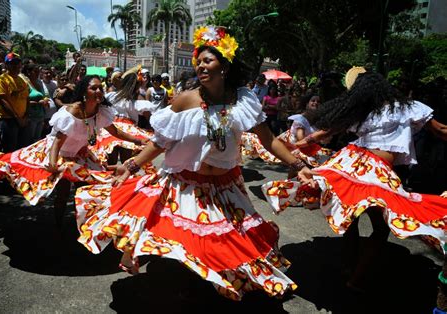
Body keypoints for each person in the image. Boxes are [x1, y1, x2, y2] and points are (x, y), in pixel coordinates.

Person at [74, 26, 309, 301]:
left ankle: (201, 293)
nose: (200, 66)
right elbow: (161, 141)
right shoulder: (186, 99)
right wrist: (132, 165)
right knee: (188, 247)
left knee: (226, 248)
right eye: (198, 62)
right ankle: (184, 294)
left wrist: (297, 162)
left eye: (207, 61)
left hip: (225, 188)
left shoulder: (243, 99)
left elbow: (269, 140)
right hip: (185, 186)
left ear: (225, 65)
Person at [263, 70, 447, 293]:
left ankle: (349, 268)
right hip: (375, 171)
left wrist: (296, 147)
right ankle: (356, 278)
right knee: (381, 228)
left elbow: (322, 133)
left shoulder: (363, 111)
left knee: (351, 217)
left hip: (351, 162)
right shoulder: (409, 107)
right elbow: (441, 130)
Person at [0, 75, 148, 228]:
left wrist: (138, 140)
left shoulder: (101, 111)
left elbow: (116, 132)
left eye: (100, 88)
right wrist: (53, 162)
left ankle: (86, 222)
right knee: (63, 192)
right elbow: (57, 142)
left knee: (92, 186)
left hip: (80, 153)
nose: (98, 91)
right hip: (60, 154)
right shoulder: (71, 112)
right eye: (93, 88)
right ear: (84, 91)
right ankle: (58, 226)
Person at [91, 66, 155, 165]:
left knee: (111, 162)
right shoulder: (136, 100)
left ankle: (112, 178)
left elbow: (99, 106)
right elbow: (149, 116)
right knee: (126, 162)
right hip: (127, 130)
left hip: (111, 128)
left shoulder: (111, 96)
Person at [0, 52, 32, 152]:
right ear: (7, 65)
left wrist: (26, 116)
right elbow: (3, 101)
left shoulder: (21, 80)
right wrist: (17, 118)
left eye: (18, 63)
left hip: (23, 119)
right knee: (10, 149)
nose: (16, 66)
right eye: (12, 63)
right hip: (9, 120)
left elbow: (27, 99)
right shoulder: (1, 79)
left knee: (23, 149)